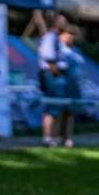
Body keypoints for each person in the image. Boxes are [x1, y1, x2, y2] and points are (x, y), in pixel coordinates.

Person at [38, 13, 69, 146]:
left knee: (56, 107)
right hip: (52, 75)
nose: (65, 24)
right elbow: (48, 58)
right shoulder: (50, 38)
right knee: (51, 107)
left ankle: (53, 137)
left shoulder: (55, 38)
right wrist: (57, 73)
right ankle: (47, 138)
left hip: (55, 75)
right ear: (56, 23)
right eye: (63, 21)